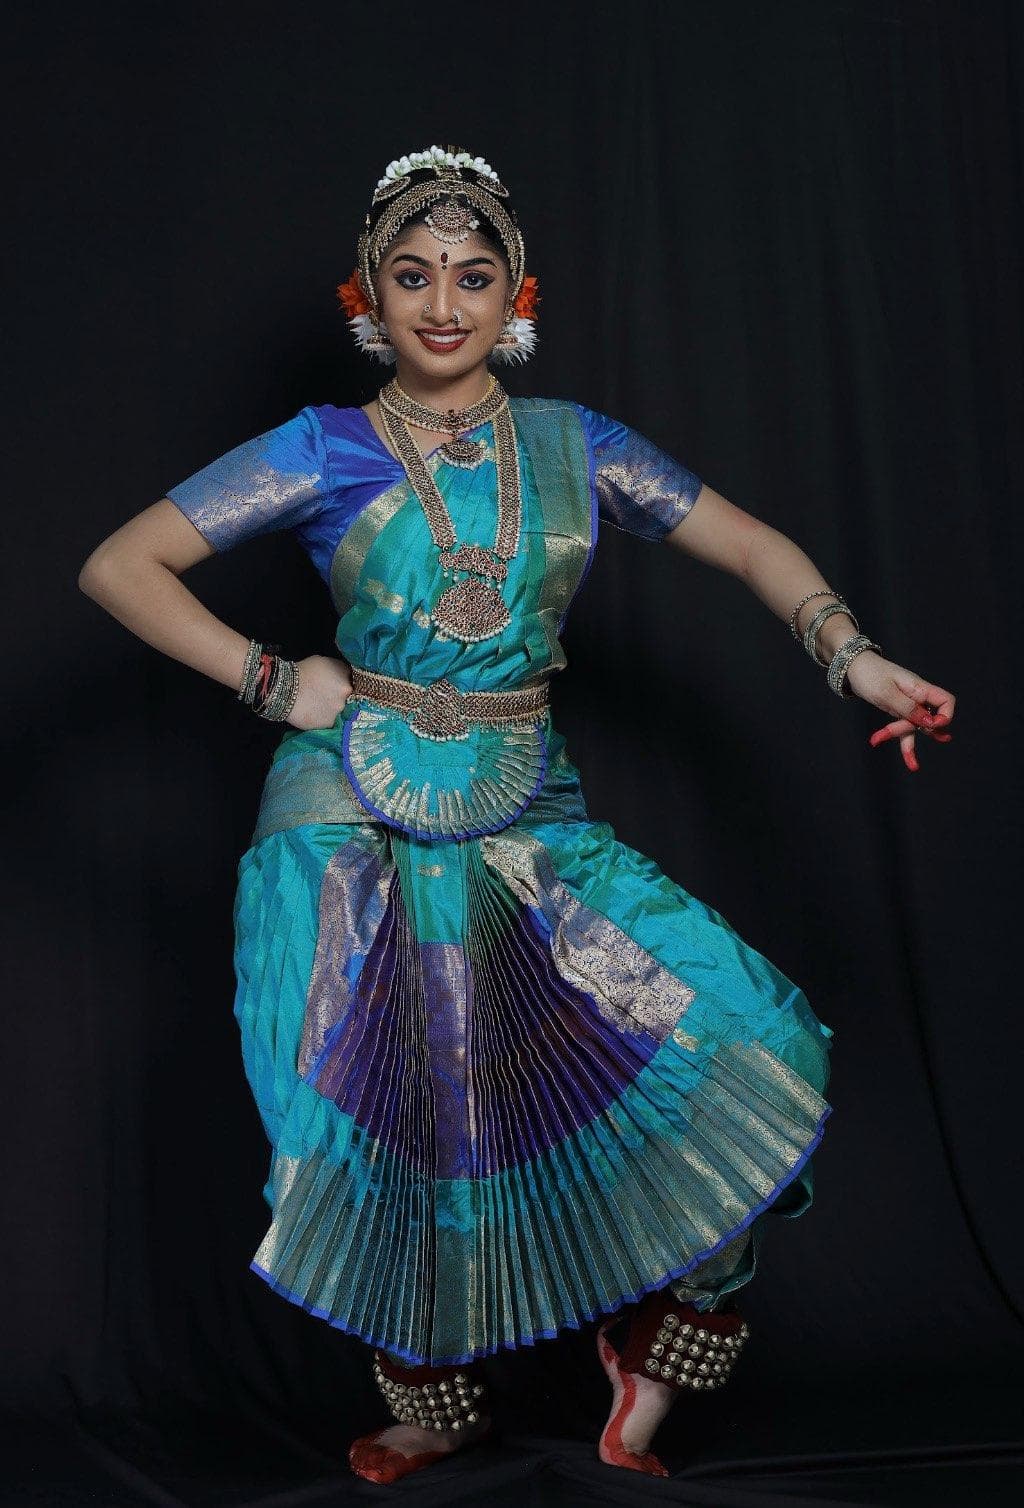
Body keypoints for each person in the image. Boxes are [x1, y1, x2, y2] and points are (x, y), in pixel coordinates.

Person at [78, 143, 955, 1485]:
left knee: (749, 1034)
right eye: (413, 274)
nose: (444, 303)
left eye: (473, 276)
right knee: (367, 1115)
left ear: (516, 294)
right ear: (364, 293)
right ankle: (430, 1400)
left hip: (524, 799)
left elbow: (754, 546)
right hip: (343, 810)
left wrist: (854, 657)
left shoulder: (574, 447)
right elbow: (119, 564)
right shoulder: (320, 448)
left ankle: (666, 1341)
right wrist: (270, 679)